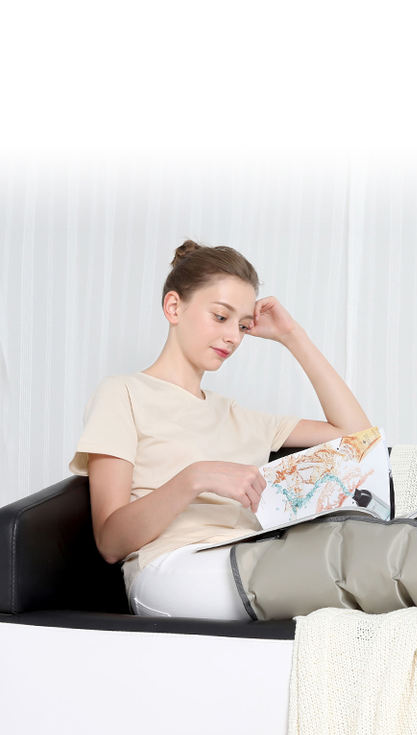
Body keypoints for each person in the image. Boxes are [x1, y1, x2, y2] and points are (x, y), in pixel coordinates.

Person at [67, 239, 373, 621]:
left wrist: (292, 336)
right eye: (221, 317)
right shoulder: (123, 394)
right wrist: (196, 477)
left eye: (243, 325)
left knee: (365, 551)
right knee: (354, 560)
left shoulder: (238, 415)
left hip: (249, 556)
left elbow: (359, 438)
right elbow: (111, 542)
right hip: (172, 568)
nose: (234, 337)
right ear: (174, 307)